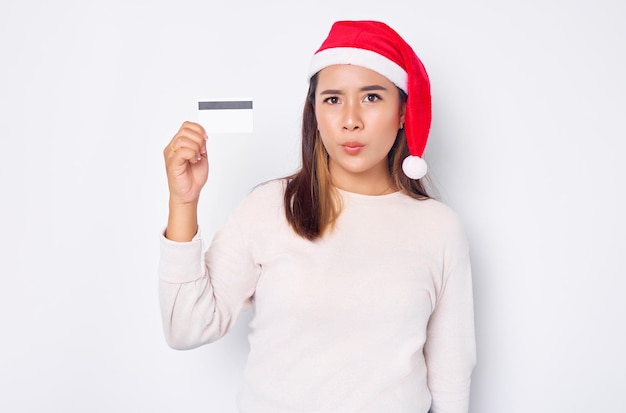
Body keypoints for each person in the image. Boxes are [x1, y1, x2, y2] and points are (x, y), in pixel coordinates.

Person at [159, 20, 476, 413]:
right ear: (315, 111)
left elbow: (450, 379)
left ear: (401, 113)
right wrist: (183, 203)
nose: (350, 119)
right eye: (332, 99)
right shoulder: (271, 207)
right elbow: (186, 326)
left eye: (372, 97)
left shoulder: (439, 228)